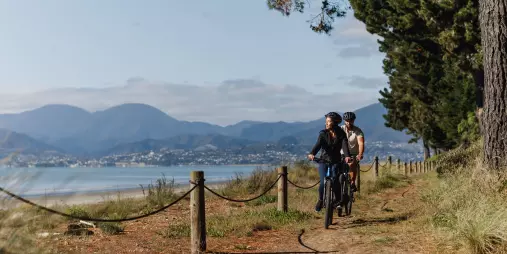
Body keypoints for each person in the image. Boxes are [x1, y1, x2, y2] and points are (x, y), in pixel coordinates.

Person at [307, 112, 351, 212]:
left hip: (336, 161)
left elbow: (345, 146)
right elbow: (318, 145)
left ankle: (338, 200)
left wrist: (347, 156)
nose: (326, 123)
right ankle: (321, 200)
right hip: (323, 160)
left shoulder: (341, 134)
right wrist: (312, 153)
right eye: (326, 121)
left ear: (335, 123)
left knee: (335, 179)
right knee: (322, 182)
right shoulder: (323, 133)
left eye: (329, 121)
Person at [341, 112, 365, 192]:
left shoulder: (358, 131)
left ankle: (352, 183)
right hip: (341, 153)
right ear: (344, 121)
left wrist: (360, 154)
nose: (349, 122)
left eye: (350, 120)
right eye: (347, 120)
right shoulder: (341, 129)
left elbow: (361, 143)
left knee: (352, 164)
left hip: (353, 153)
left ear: (353, 120)